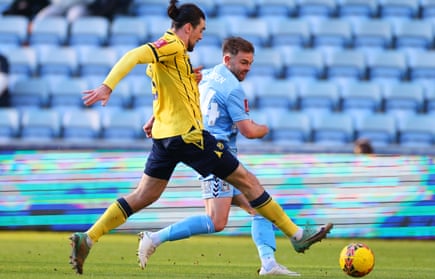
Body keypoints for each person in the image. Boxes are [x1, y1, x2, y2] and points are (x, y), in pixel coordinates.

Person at [69, 0, 333, 275]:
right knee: (247, 181)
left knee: (144, 195)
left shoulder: (179, 58)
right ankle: (297, 235)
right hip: (189, 137)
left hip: (164, 138)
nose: (201, 36)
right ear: (187, 28)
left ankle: (88, 237)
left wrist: (155, 116)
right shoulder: (170, 45)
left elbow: (168, 91)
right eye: (200, 30)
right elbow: (134, 55)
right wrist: (107, 86)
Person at [137, 37, 300, 276]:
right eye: (244, 62)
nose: (248, 68)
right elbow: (249, 131)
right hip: (214, 156)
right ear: (227, 59)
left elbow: (179, 96)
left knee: (259, 207)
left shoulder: (208, 76)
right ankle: (154, 238)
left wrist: (155, 118)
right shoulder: (232, 87)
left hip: (224, 156)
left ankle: (268, 263)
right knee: (216, 220)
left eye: (250, 63)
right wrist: (267, 128)